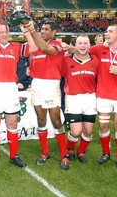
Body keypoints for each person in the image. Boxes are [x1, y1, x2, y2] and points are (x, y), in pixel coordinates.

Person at [68, 24, 117, 169]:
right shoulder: (99, 49)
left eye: (110, 32)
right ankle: (106, 153)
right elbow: (80, 50)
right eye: (106, 31)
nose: (106, 34)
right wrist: (62, 47)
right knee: (103, 126)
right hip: (103, 95)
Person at [0, 0, 32, 171]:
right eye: (1, 32)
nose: (3, 34)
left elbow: (32, 48)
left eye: (6, 32)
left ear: (9, 33)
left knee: (12, 124)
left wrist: (26, 29)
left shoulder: (16, 47)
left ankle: (13, 156)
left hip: (11, 88)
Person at [22, 20, 69, 170]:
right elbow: (33, 59)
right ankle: (45, 152)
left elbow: (45, 48)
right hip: (37, 84)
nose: (43, 31)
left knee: (55, 120)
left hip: (51, 84)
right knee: (41, 119)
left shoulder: (57, 44)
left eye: (46, 29)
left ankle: (63, 155)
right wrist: (30, 71)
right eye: (41, 29)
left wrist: (31, 29)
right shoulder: (36, 45)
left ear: (54, 32)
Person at [62, 35, 99, 164]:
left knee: (88, 131)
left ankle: (81, 151)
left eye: (85, 43)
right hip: (73, 98)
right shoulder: (66, 60)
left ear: (89, 46)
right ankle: (71, 149)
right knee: (76, 131)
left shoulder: (95, 60)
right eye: (80, 43)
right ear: (75, 46)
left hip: (90, 98)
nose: (83, 46)